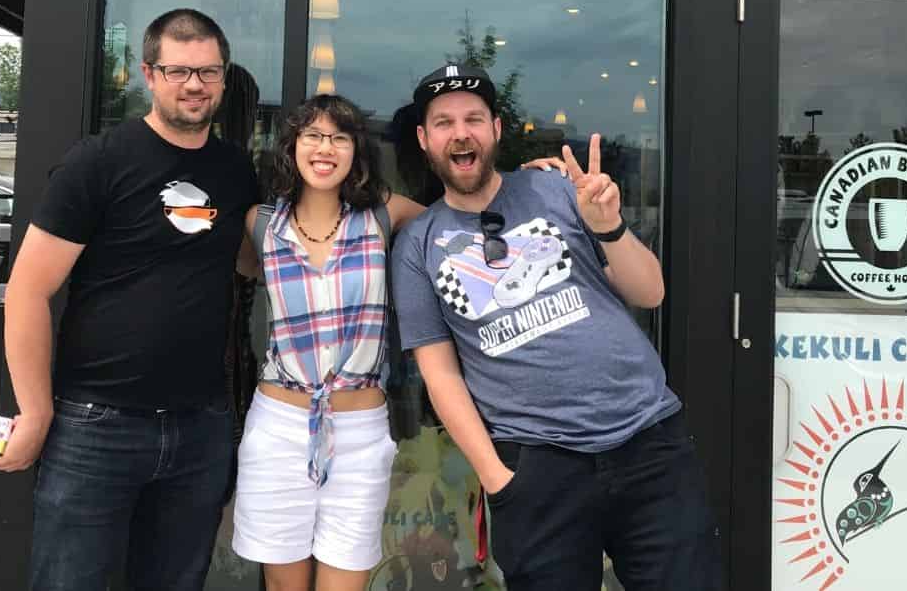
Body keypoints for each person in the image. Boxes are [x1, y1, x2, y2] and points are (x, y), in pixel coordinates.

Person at [391, 64, 722, 591]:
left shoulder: (557, 190)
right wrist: (498, 480)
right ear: (424, 139)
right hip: (537, 469)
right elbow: (441, 376)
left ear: (496, 129)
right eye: (444, 122)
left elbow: (651, 292)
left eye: (474, 118)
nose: (461, 132)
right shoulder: (419, 247)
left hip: (647, 445)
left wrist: (608, 227)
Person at [0, 9, 260, 591]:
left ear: (224, 77)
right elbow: (28, 289)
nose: (195, 85)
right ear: (148, 73)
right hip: (95, 428)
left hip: (201, 427)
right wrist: (35, 411)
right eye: (179, 70)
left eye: (209, 72)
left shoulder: (236, 170)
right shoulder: (98, 163)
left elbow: (256, 258)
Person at [231, 94, 424, 591]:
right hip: (280, 425)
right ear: (292, 146)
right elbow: (232, 270)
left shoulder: (386, 215)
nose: (325, 148)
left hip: (360, 429)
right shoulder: (259, 224)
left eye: (340, 137)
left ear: (356, 152)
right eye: (312, 135)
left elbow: (461, 220)